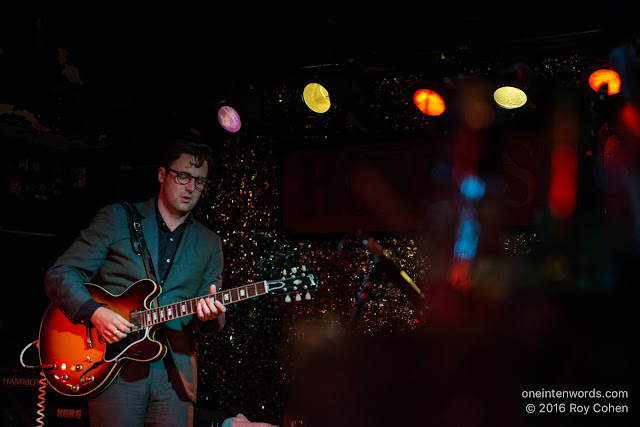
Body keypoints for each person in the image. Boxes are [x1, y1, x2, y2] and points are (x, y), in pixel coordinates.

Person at [44, 138, 226, 426]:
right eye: (183, 176)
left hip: (175, 375)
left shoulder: (209, 242)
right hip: (115, 365)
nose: (191, 188)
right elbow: (61, 274)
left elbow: (210, 314)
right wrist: (95, 313)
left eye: (200, 182)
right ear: (162, 175)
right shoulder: (117, 218)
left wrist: (210, 317)